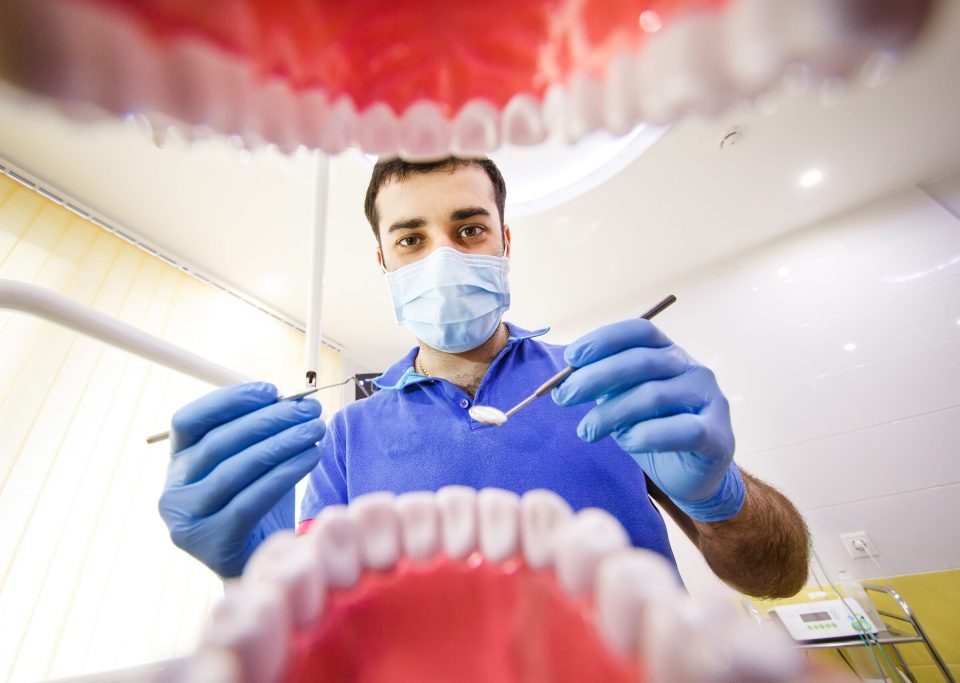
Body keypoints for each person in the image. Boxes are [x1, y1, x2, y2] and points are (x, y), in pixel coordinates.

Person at [158, 156, 809, 598]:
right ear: (383, 259)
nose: (443, 255)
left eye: (469, 228)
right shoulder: (346, 438)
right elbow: (319, 630)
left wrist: (722, 499)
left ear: (504, 242)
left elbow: (778, 575)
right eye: (411, 239)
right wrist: (257, 581)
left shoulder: (604, 383)